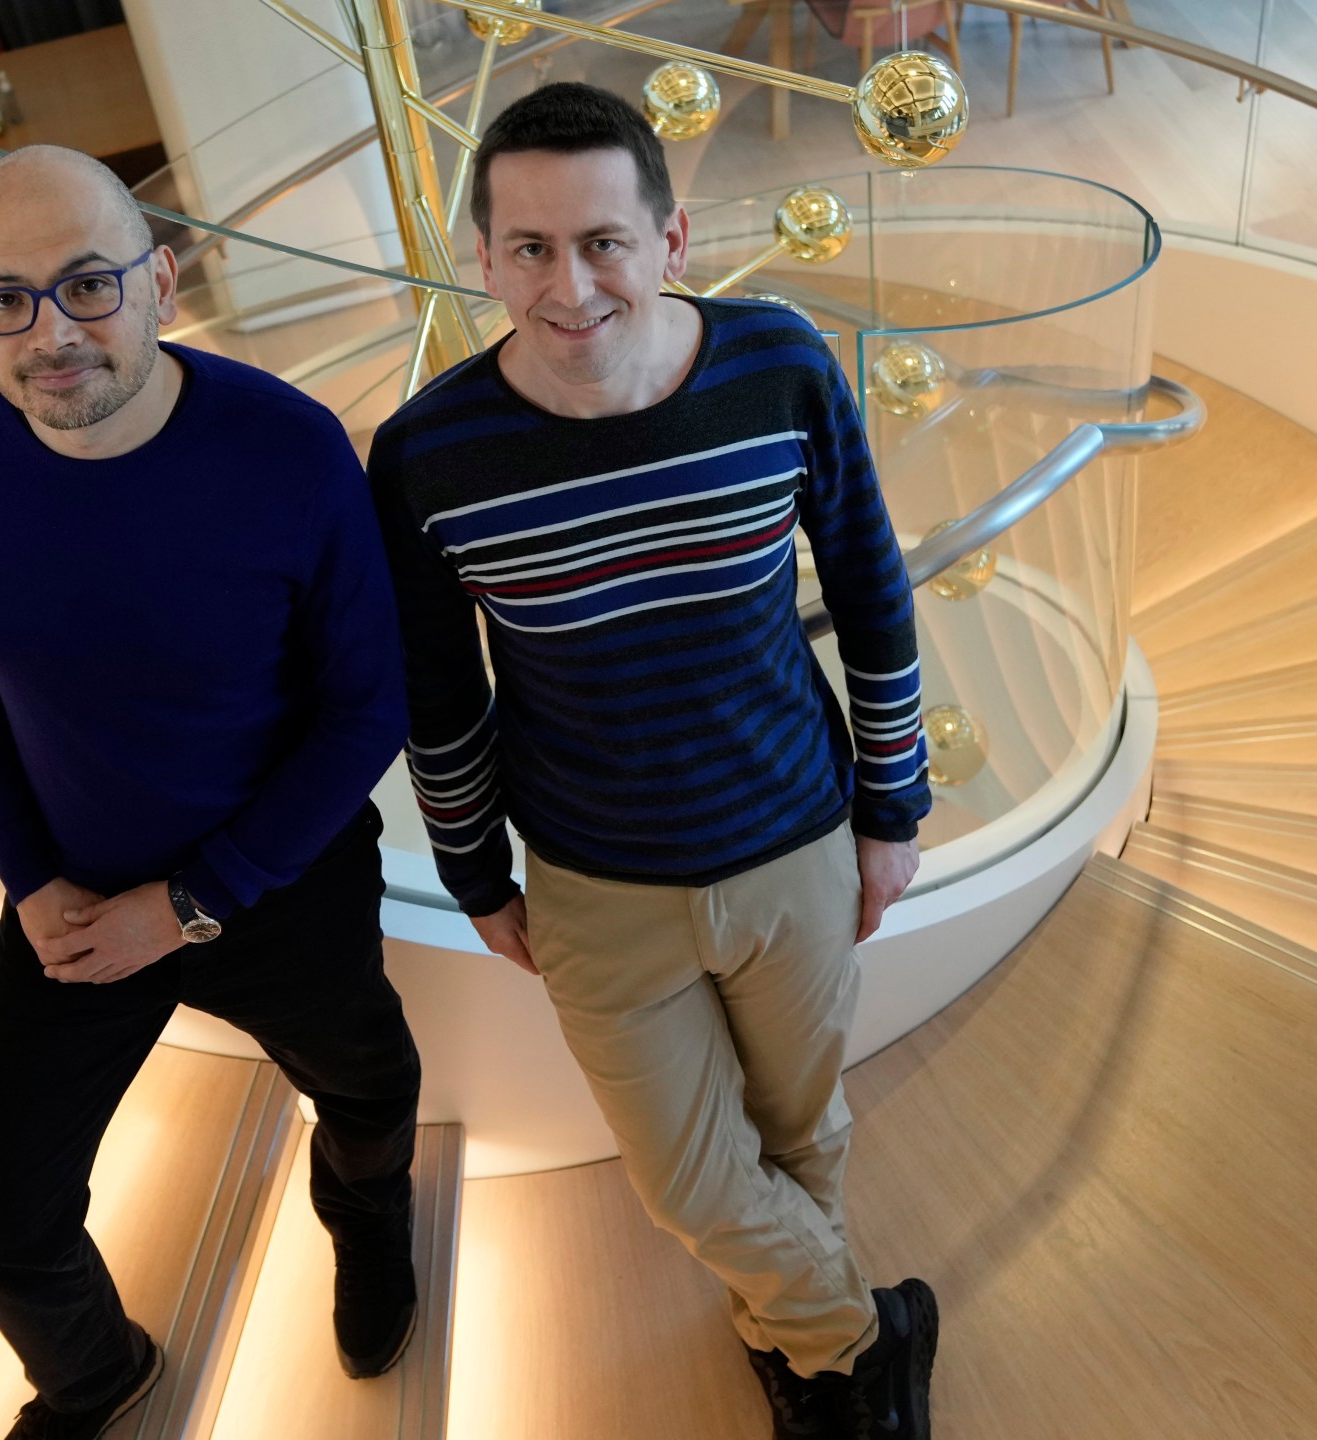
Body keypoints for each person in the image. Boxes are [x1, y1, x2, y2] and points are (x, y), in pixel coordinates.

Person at [368, 85, 940, 1439]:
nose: (569, 287)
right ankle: (863, 1339)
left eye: (604, 242)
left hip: (794, 839)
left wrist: (892, 804)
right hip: (594, 880)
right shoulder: (427, 458)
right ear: (485, 255)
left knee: (802, 1125)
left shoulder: (780, 369)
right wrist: (472, 868)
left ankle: (798, 1352)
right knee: (688, 1178)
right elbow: (439, 692)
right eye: (529, 249)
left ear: (672, 238)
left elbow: (870, 588)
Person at [0, 146, 424, 1440]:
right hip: (71, 899)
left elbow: (372, 706)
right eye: (3, 299)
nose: (50, 334)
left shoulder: (288, 451)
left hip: (277, 884)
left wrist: (192, 904)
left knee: (364, 1095)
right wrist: (27, 875)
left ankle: (367, 1231)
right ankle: (97, 1375)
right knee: (2, 1226)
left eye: (87, 286)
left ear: (161, 281)